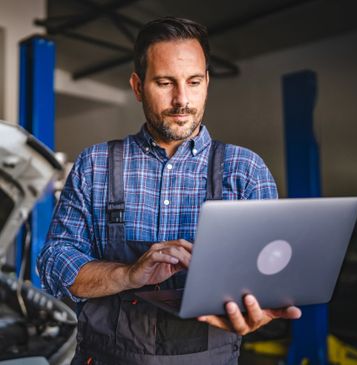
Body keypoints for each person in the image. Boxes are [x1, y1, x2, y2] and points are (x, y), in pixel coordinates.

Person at [37, 16, 301, 365]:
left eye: (193, 82)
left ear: (207, 81)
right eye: (165, 83)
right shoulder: (95, 164)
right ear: (137, 86)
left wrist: (261, 312)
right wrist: (128, 275)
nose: (182, 100)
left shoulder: (245, 171)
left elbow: (270, 275)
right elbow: (55, 261)